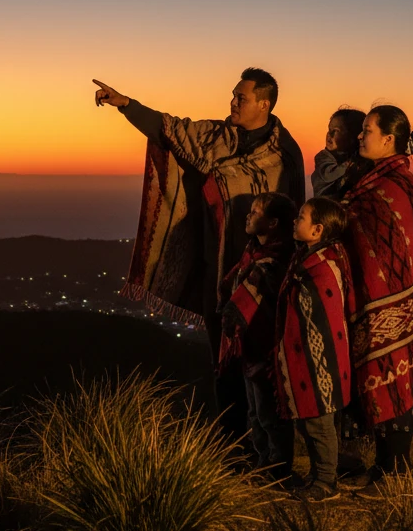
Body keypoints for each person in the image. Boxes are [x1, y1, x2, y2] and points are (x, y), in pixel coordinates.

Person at [92, 68, 305, 435]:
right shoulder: (217, 136)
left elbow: (293, 212)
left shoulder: (285, 154)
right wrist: (126, 105)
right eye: (233, 95)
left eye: (242, 97)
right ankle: (233, 444)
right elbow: (172, 129)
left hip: (262, 278)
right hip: (216, 270)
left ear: (264, 104)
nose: (233, 102)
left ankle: (273, 450)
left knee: (261, 360)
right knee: (222, 359)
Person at [340, 105, 413, 487]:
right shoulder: (370, 180)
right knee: (374, 377)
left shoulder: (393, 184)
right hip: (374, 298)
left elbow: (388, 241)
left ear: (388, 139)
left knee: (392, 379)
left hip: (391, 299)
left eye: (367, 130)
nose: (361, 136)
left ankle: (394, 471)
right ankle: (381, 468)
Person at [274, 197, 353, 502]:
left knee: (319, 423)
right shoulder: (306, 260)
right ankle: (317, 476)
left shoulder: (321, 268)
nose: (295, 221)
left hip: (320, 360)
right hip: (309, 358)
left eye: (302, 218)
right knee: (309, 423)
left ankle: (326, 481)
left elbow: (323, 316)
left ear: (317, 230)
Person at [216, 192, 297, 478]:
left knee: (269, 412)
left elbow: (262, 297)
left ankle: (278, 468)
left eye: (255, 212)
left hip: (267, 346)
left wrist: (233, 314)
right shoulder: (252, 251)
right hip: (250, 346)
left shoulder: (277, 259)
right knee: (254, 411)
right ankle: (263, 461)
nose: (248, 216)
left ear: (273, 223)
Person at [311, 107, 369, 199]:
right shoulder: (323, 157)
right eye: (329, 129)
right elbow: (328, 175)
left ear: (352, 137)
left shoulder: (363, 162)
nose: (330, 134)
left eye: (337, 131)